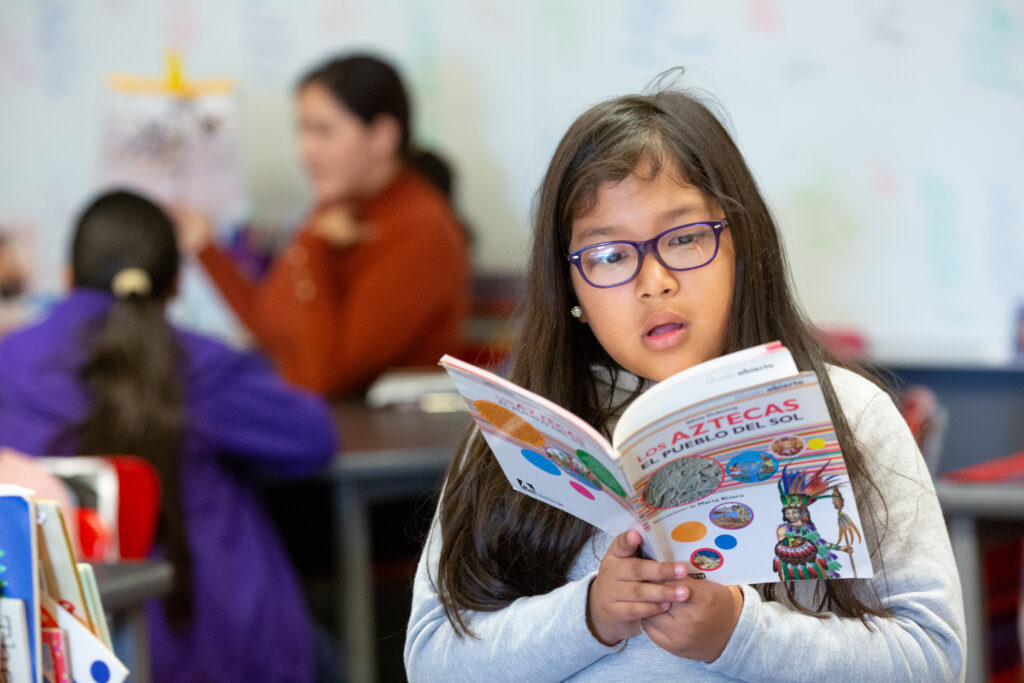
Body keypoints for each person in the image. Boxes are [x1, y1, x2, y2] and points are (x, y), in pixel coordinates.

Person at [403, 88, 966, 680]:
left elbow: (932, 659)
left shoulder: (848, 413)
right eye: (610, 255)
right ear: (571, 287)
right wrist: (588, 616)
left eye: (684, 238)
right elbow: (432, 660)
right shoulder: (519, 429)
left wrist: (738, 632)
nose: (654, 282)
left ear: (740, 245)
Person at [0, 190, 339, 683]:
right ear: (175, 285)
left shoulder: (11, 363)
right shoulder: (201, 366)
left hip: (57, 649)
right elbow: (313, 438)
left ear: (67, 277)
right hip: (214, 640)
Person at [178, 53, 470, 396]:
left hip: (384, 443)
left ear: (382, 136)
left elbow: (325, 380)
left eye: (323, 131)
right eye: (301, 131)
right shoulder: (337, 208)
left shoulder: (423, 232)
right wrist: (204, 247)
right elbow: (270, 328)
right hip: (329, 431)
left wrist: (314, 247)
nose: (305, 151)